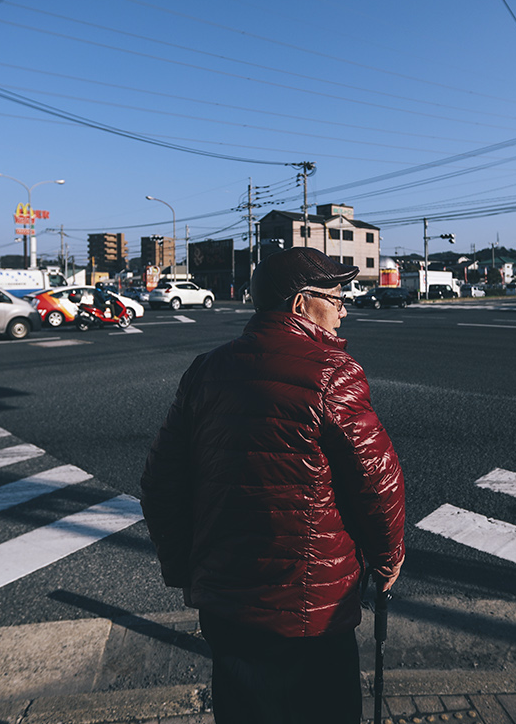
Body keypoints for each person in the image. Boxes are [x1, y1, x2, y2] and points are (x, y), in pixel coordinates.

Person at [141, 247, 405, 724]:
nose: (345, 309)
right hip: (313, 608)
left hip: (227, 606)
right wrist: (387, 560)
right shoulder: (331, 373)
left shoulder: (206, 370)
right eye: (337, 297)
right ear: (301, 305)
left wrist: (185, 571)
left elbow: (160, 485)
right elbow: (378, 482)